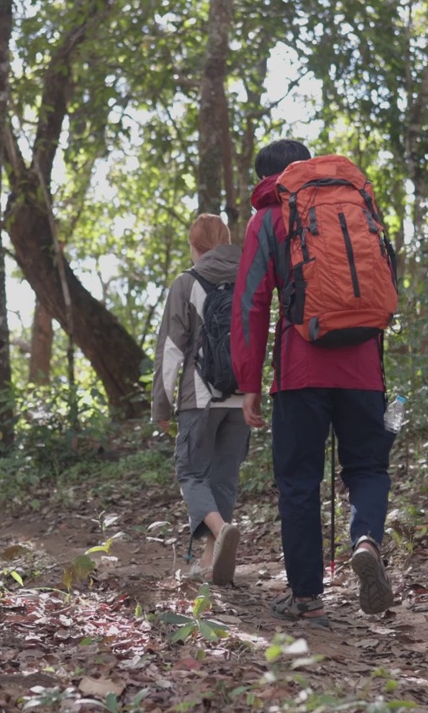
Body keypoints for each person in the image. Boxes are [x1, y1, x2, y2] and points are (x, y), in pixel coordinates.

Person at [231, 139, 395, 625]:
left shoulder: (269, 217)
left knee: (299, 480)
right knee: (367, 467)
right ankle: (365, 539)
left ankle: (305, 596)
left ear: (267, 177)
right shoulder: (355, 202)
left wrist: (249, 381)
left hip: (301, 368)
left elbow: (250, 305)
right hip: (363, 364)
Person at [152, 214, 249, 586]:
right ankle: (210, 562)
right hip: (241, 397)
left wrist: (161, 404)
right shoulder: (248, 280)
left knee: (191, 473)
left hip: (201, 397)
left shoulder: (186, 282)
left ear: (194, 246)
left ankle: (221, 531)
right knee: (223, 479)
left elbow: (171, 350)